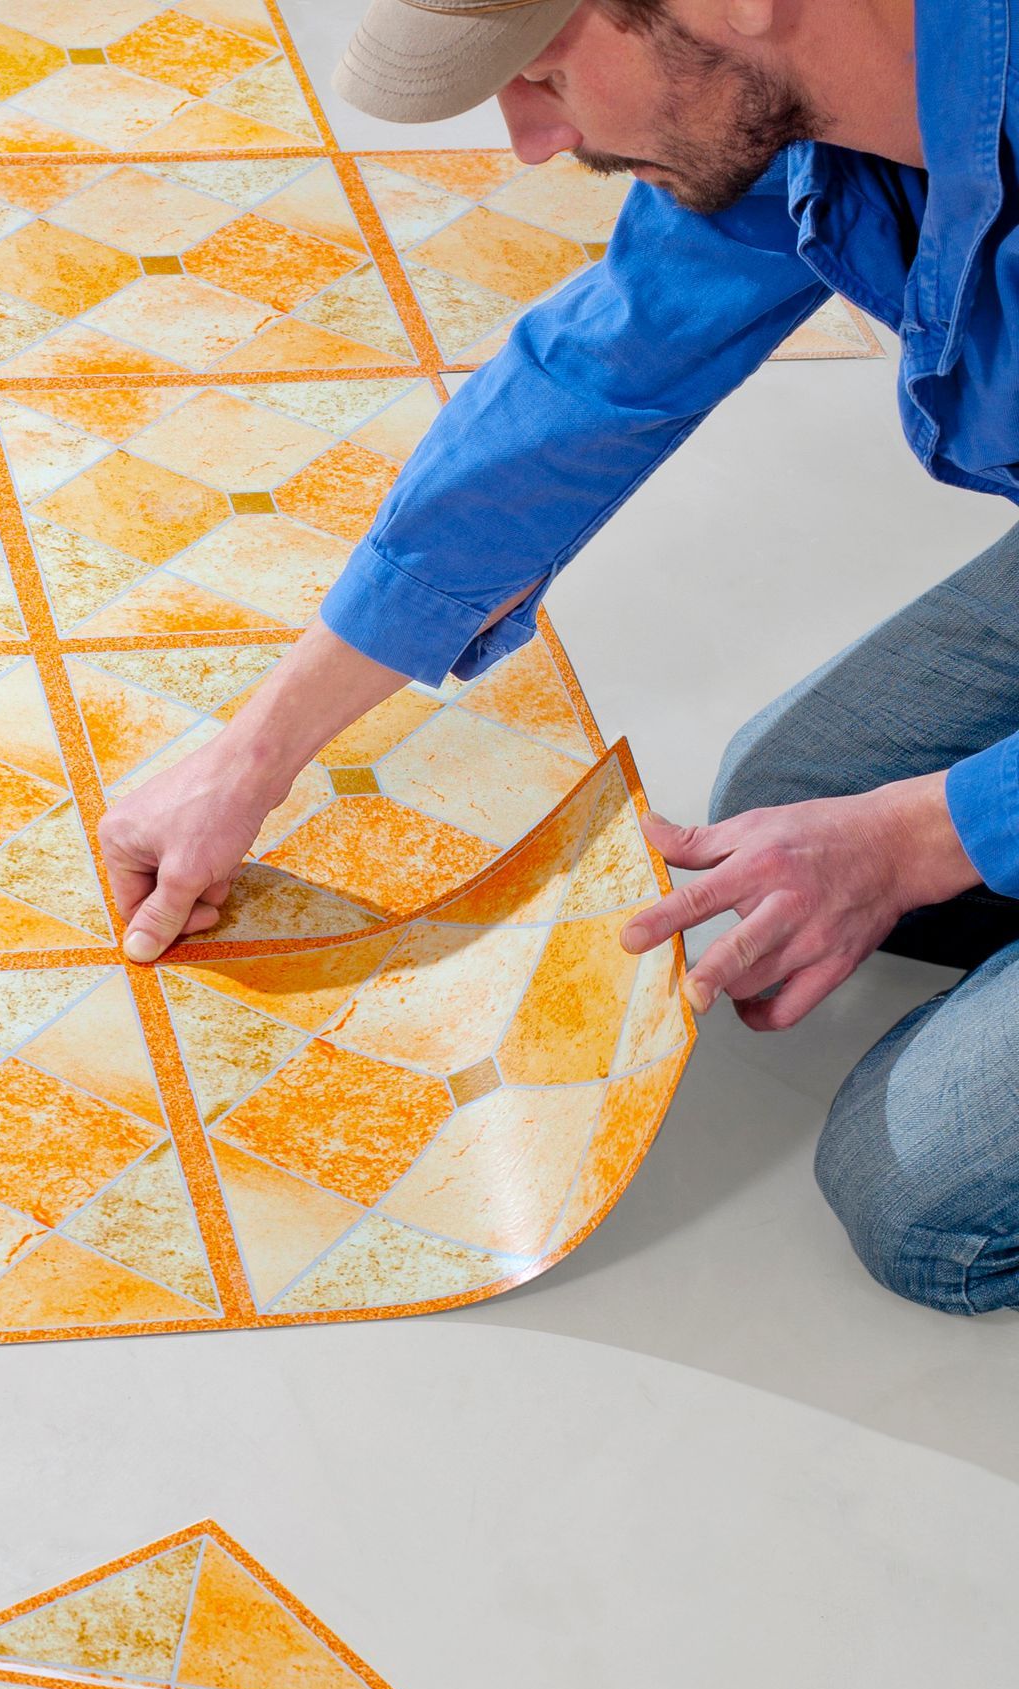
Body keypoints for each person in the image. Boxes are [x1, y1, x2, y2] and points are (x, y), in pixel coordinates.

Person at [98, 0, 1019, 1315]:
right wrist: (257, 750)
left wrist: (928, 833)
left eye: (540, 71)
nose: (532, 139)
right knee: (789, 791)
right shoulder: (813, 103)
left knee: (913, 1186)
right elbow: (601, 369)